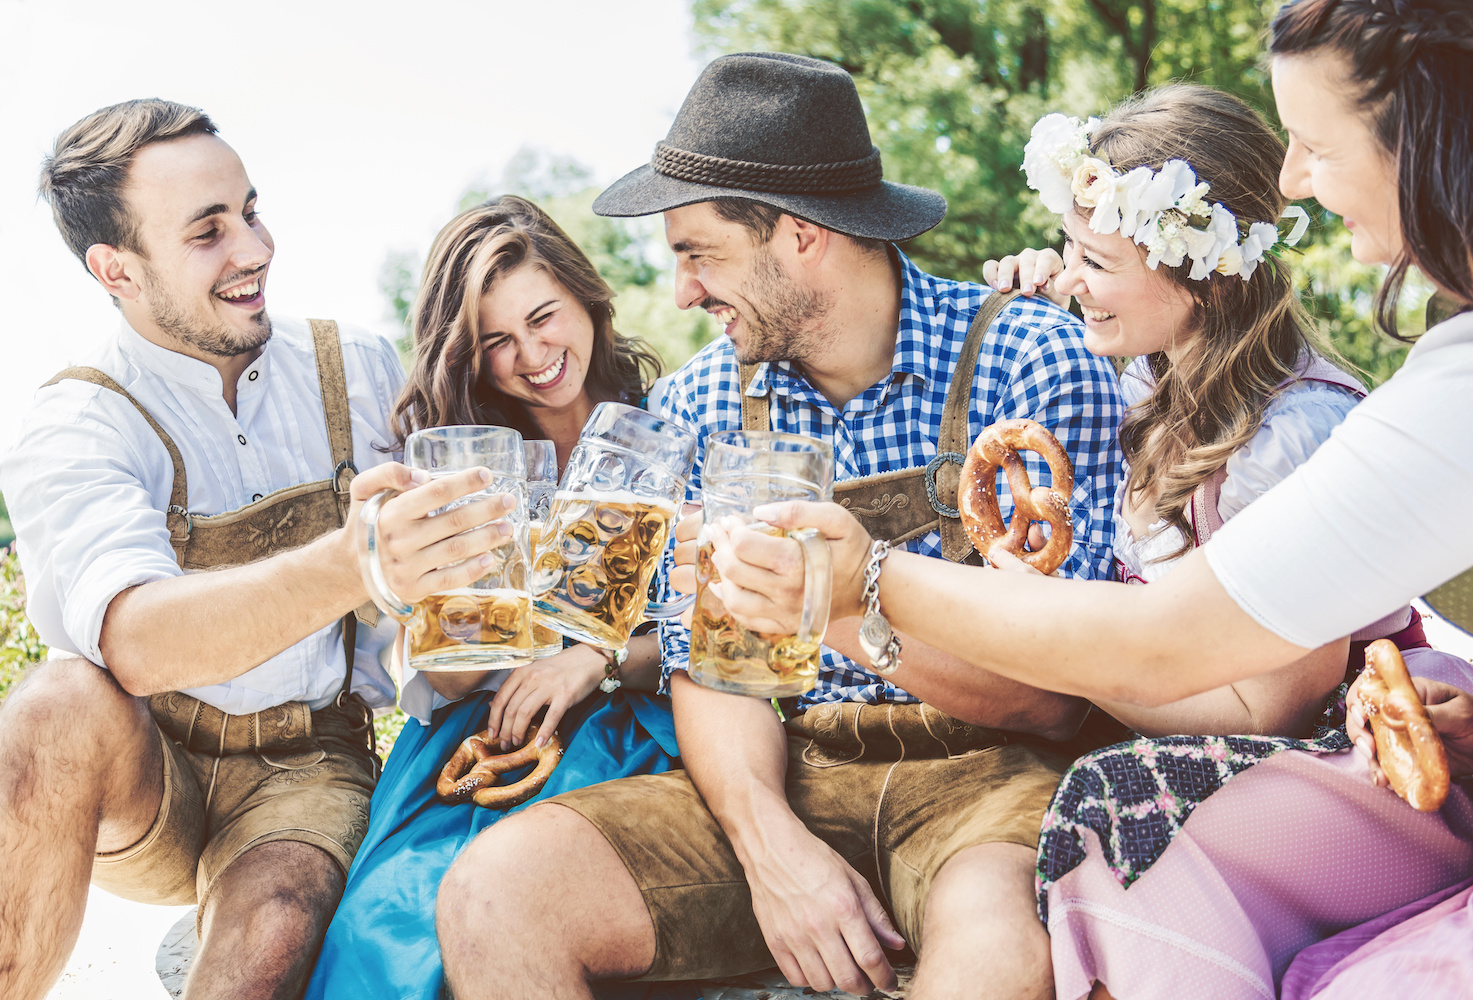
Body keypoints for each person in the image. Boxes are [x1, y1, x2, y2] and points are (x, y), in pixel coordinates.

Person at [707, 1, 1473, 997]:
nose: (1294, 181)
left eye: (1314, 146)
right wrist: (1069, 294)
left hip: (1321, 745)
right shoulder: (1137, 380)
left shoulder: (1300, 424)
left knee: (1107, 808)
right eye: (1068, 251)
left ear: (1203, 281)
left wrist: (889, 588)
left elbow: (1254, 694)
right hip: (1231, 716)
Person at [435, 52, 1127, 1000]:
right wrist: (773, 854)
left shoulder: (1031, 354)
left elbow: (1053, 694)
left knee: (997, 958)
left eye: (698, 253)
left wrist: (832, 605)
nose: (680, 293)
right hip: (785, 770)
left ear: (802, 237)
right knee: (496, 893)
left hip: (991, 781)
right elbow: (711, 672)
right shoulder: (700, 402)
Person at [0, 100, 505, 1000]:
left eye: (251, 210)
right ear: (115, 269)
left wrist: (454, 608)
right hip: (149, 768)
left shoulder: (355, 369)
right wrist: (356, 560)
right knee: (55, 699)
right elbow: (137, 643)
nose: (255, 249)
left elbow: (420, 638)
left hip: (311, 763)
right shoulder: (78, 418)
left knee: (271, 940)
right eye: (208, 232)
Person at [303, 197, 685, 1000]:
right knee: (392, 934)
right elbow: (440, 684)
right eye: (497, 342)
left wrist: (594, 663)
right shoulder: (462, 474)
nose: (532, 355)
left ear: (587, 298)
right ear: (469, 359)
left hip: (643, 733)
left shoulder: (675, 424)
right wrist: (429, 595)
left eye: (545, 317)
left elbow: (708, 630)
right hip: (480, 738)